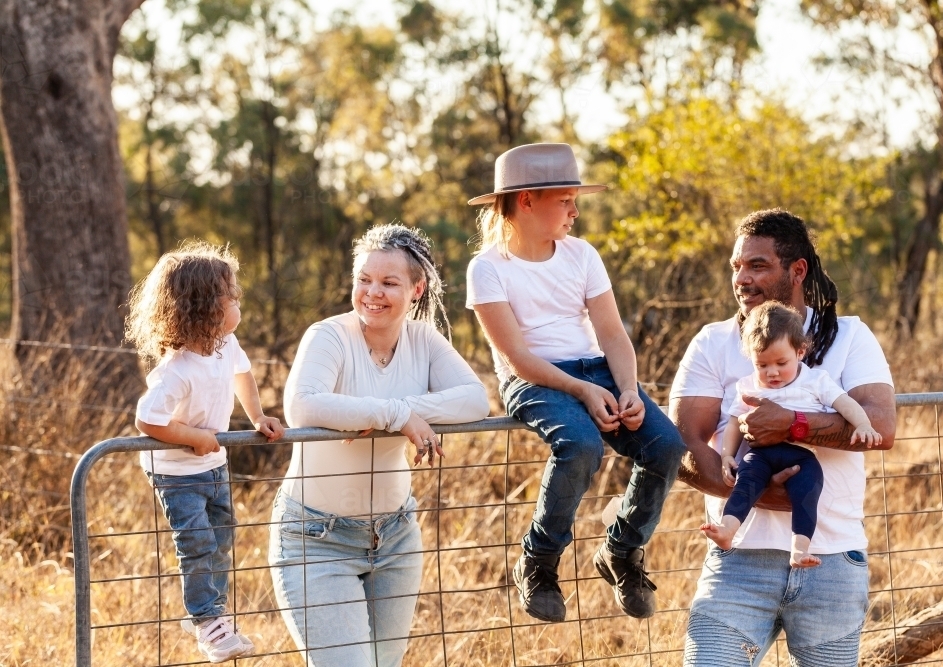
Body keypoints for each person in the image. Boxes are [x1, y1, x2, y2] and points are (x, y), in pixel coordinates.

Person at [466, 142, 687, 622]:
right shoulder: (487, 269)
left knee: (666, 445)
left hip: (599, 368)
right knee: (582, 446)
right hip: (535, 379)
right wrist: (584, 391)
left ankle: (622, 550)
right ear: (526, 201)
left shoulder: (582, 254)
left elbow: (611, 332)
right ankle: (539, 561)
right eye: (565, 199)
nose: (575, 210)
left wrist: (627, 388)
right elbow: (519, 357)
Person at [669, 209, 896, 666]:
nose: (742, 279)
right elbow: (682, 446)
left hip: (830, 558)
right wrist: (756, 491)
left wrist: (792, 424)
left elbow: (881, 427)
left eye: (757, 265)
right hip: (738, 560)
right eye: (737, 266)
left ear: (797, 271)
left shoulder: (848, 337)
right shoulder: (712, 342)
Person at [269, 224, 490, 667]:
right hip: (317, 539)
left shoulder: (424, 340)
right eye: (364, 279)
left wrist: (393, 407)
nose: (373, 292)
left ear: (416, 288)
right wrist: (394, 417)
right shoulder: (329, 335)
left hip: (396, 538)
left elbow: (476, 399)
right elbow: (302, 407)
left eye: (389, 282)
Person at [127, 242, 285, 663]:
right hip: (177, 471)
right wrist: (191, 436)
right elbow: (148, 420)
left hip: (215, 465)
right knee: (196, 542)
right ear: (203, 308)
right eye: (230, 296)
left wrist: (257, 416)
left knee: (221, 538)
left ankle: (205, 611)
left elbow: (243, 374)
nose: (238, 302)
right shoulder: (176, 369)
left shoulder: (225, 345)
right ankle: (208, 621)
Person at [699, 300, 882, 568]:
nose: (771, 372)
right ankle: (727, 530)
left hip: (803, 456)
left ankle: (800, 549)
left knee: (808, 489)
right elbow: (735, 421)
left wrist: (863, 425)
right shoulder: (748, 386)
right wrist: (727, 455)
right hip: (760, 455)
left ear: (800, 351)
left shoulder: (815, 381)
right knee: (745, 481)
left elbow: (845, 404)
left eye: (780, 363)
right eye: (762, 365)